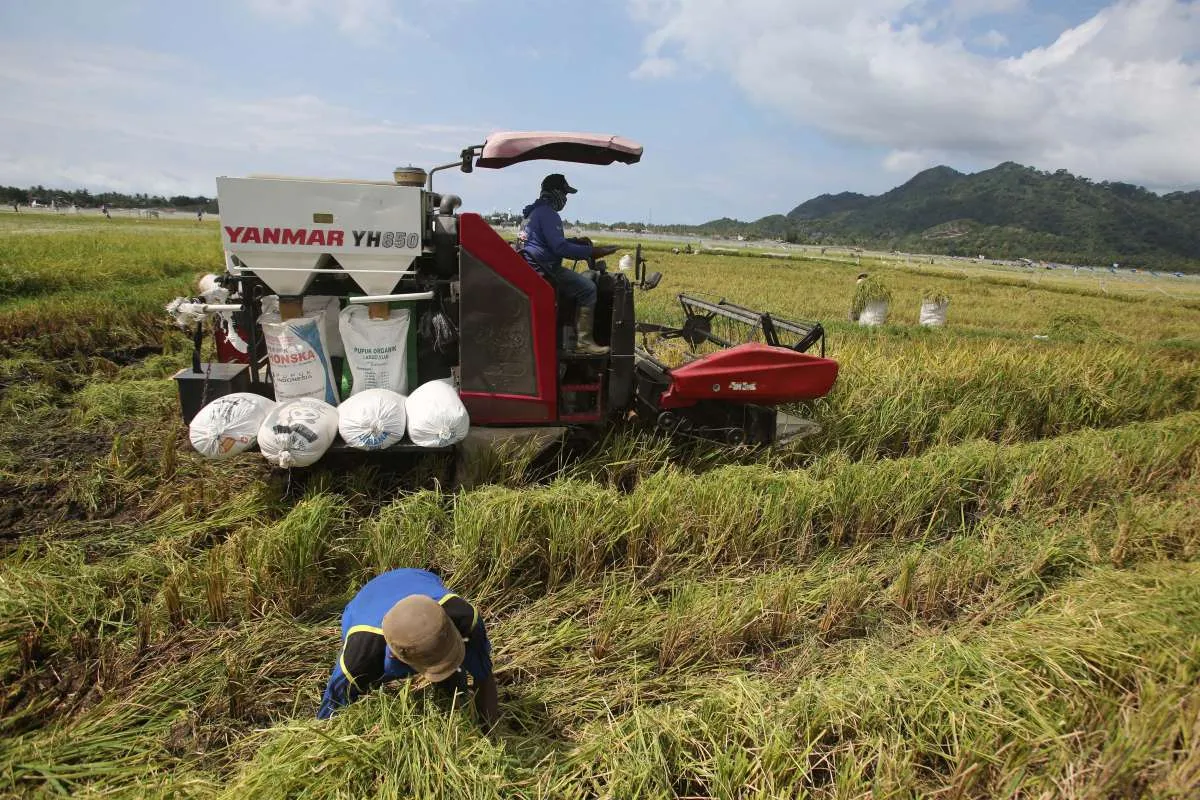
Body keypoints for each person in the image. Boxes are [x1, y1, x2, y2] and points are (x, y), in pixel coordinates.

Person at [317, 568, 498, 728]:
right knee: (366, 683)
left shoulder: (466, 618)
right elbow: (329, 718)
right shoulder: (359, 658)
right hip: (364, 604)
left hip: (417, 577)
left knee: (456, 685)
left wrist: (489, 731)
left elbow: (484, 676)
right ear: (397, 657)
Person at [518, 174, 618, 355]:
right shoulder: (549, 214)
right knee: (588, 289)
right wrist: (592, 252)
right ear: (556, 192)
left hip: (532, 267)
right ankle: (584, 342)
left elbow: (547, 241)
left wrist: (577, 242)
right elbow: (559, 247)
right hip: (545, 269)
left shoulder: (533, 213)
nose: (565, 199)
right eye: (565, 193)